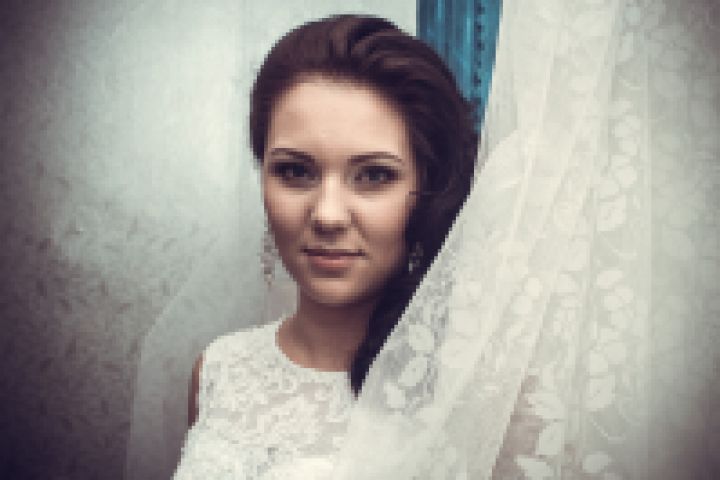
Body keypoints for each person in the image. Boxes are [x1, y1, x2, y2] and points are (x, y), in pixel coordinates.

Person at [172, 13, 478, 479]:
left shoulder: (471, 392)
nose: (328, 215)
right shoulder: (219, 370)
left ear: (427, 192)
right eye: (295, 171)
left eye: (374, 175)